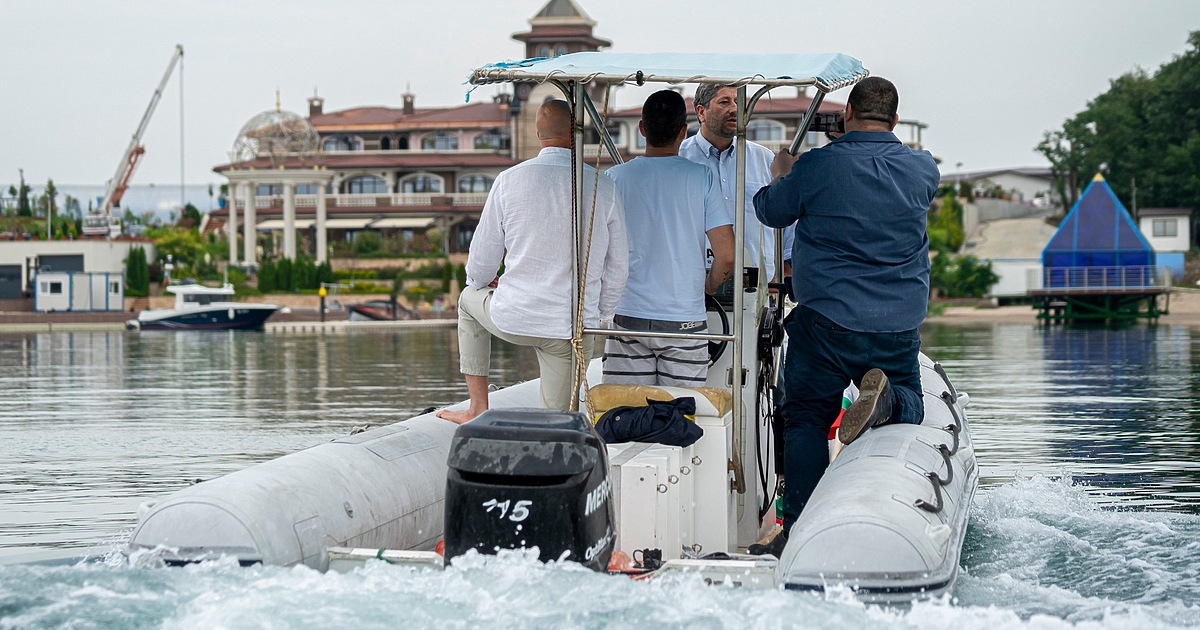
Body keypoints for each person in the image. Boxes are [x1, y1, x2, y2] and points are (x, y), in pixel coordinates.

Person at [752, 77, 940, 550]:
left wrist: (782, 173)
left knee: (805, 418)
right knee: (913, 404)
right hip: (896, 322)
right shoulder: (923, 169)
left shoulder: (818, 166)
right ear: (896, 120)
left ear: (848, 113)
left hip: (826, 323)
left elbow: (771, 212)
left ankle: (796, 531)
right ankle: (890, 401)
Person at [437, 100, 628, 424]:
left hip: (514, 317)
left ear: (538, 133)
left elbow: (481, 264)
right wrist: (598, 316)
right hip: (571, 329)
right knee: (559, 424)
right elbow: (618, 267)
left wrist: (489, 284)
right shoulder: (603, 186)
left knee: (468, 301)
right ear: (575, 131)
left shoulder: (509, 181)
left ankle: (477, 407)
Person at [602, 90, 736, 386]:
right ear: (682, 132)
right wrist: (708, 286)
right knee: (679, 420)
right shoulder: (702, 177)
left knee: (626, 416)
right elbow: (726, 256)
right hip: (684, 320)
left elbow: (598, 254)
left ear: (641, 129)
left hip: (628, 318)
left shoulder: (614, 179)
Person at [680, 84, 792, 284]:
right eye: (724, 102)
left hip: (757, 289)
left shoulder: (765, 160)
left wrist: (780, 280)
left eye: (739, 102)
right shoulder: (680, 159)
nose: (734, 108)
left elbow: (786, 227)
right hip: (691, 286)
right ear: (701, 111)